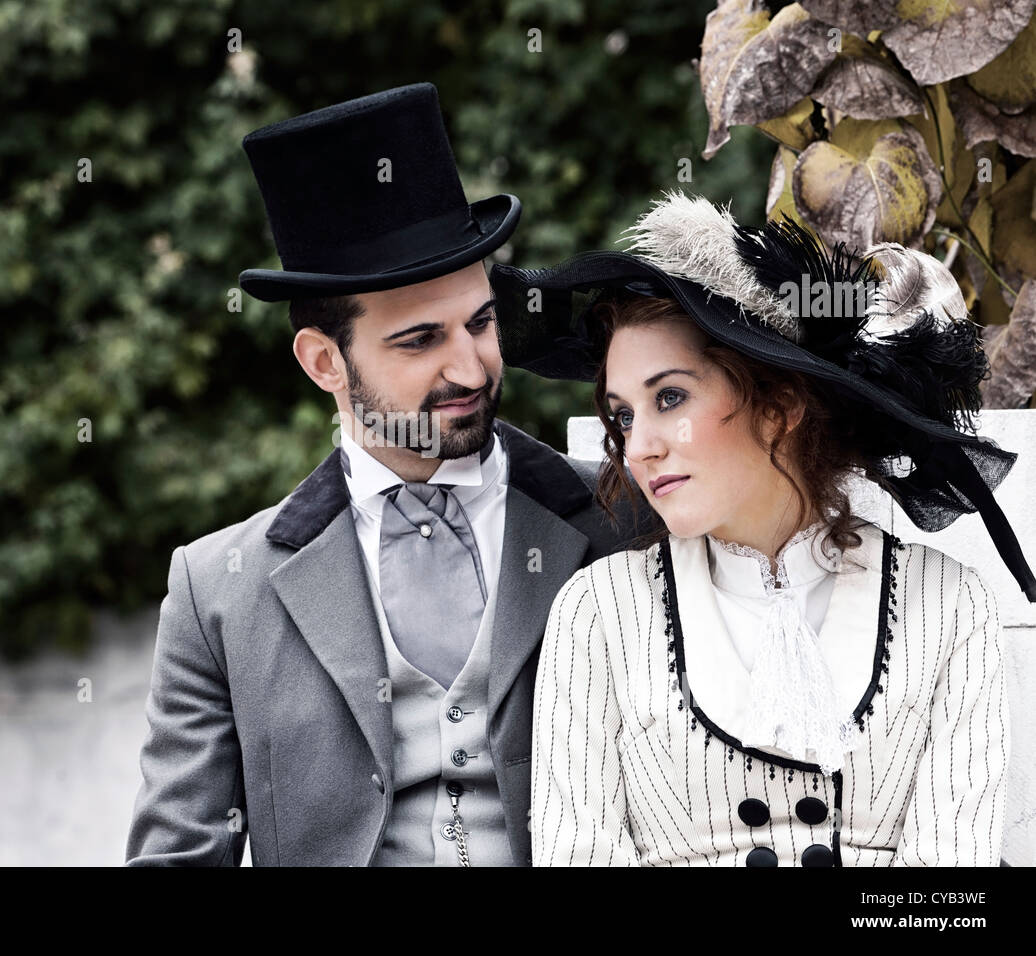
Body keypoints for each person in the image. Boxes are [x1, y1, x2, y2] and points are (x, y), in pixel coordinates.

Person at [123, 83, 658, 867]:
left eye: (480, 322)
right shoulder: (218, 592)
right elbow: (178, 857)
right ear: (323, 362)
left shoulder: (627, 522)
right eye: (418, 342)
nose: (470, 365)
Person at [489, 191, 1036, 866]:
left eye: (670, 398)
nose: (640, 447)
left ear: (780, 406)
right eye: (624, 415)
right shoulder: (598, 614)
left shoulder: (948, 606)